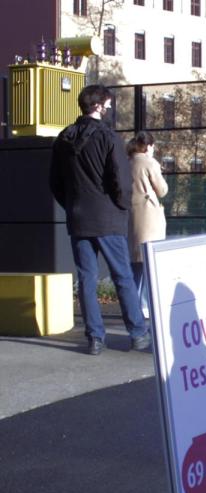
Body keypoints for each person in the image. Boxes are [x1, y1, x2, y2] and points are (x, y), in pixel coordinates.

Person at [49, 84, 149, 355]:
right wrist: (121, 206)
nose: (108, 107)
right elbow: (121, 179)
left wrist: (72, 205)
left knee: (86, 279)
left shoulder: (63, 139)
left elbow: (55, 183)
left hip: (79, 217)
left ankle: (95, 338)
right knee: (123, 277)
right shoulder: (109, 137)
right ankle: (138, 333)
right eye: (106, 103)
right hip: (108, 217)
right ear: (97, 105)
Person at [127, 131, 168, 319]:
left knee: (136, 263)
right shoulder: (149, 163)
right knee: (148, 262)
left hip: (132, 214)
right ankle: (143, 305)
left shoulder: (127, 161)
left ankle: (131, 304)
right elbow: (162, 189)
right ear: (149, 146)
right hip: (149, 215)